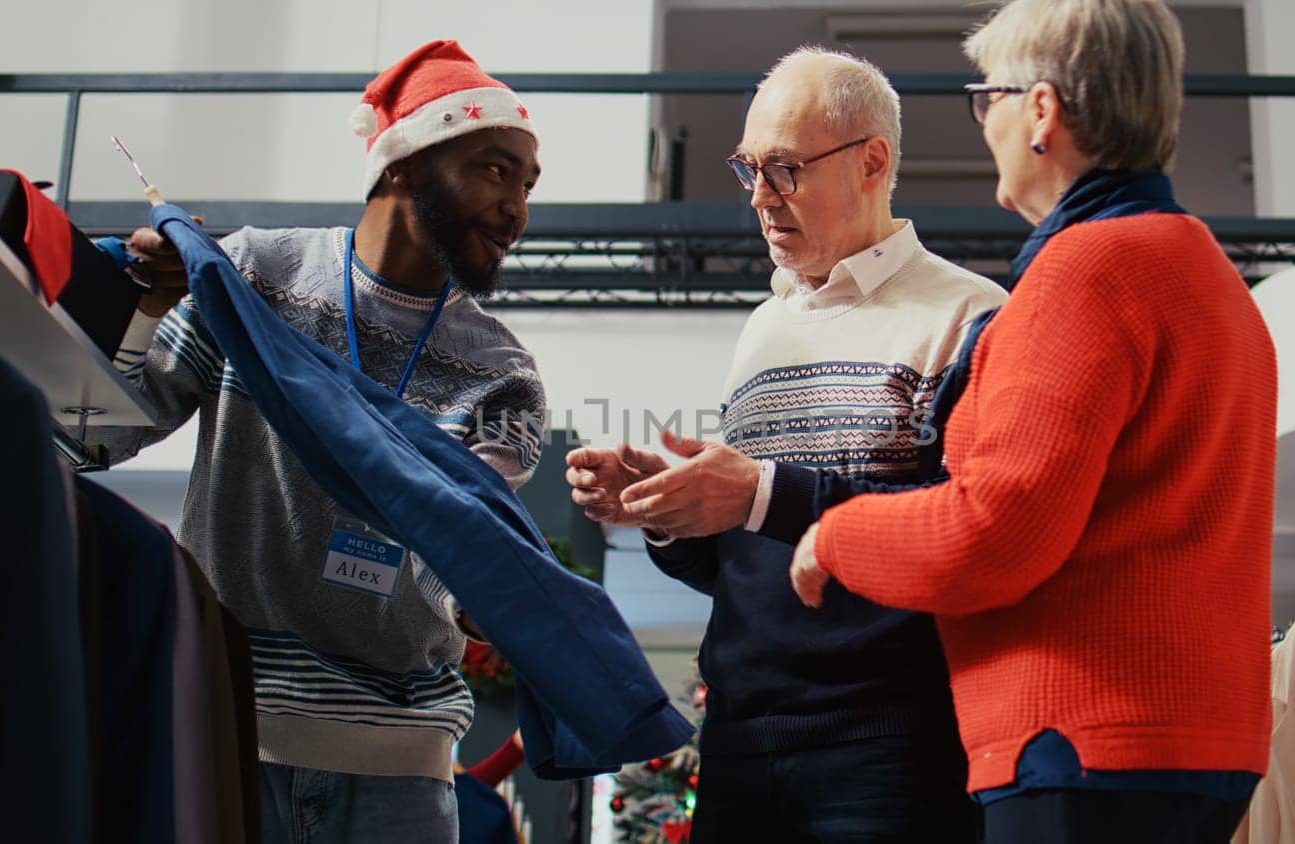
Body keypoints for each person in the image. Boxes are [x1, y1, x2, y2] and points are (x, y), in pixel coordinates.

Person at [787, 1, 1276, 841]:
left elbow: (996, 533)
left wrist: (836, 535)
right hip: (1194, 748)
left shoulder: (1086, 271)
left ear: (1042, 111)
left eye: (991, 99)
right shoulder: (1206, 273)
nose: (988, 125)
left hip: (1081, 748)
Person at [84, 40, 545, 843]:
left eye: (529, 185)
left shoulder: (503, 373)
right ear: (403, 162)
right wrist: (148, 310)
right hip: (217, 738)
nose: (518, 209)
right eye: (496, 170)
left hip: (398, 776)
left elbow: (465, 528)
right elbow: (101, 434)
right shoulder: (252, 278)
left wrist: (481, 596)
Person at [566, 47, 1006, 841]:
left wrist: (759, 491)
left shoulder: (969, 317)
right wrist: (664, 508)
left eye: (786, 169)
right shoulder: (765, 329)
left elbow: (970, 535)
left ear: (872, 162)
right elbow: (745, 566)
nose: (761, 200)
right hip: (739, 737)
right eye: (748, 169)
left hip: (890, 740)